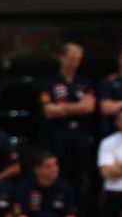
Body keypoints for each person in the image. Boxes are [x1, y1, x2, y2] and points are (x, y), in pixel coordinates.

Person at [39, 42, 97, 190]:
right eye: (72, 59)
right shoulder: (49, 83)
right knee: (59, 176)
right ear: (62, 58)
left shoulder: (84, 82)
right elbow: (49, 111)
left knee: (81, 178)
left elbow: (89, 107)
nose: (75, 63)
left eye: (78, 59)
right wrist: (78, 107)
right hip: (58, 137)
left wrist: (63, 107)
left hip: (80, 137)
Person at [15, 152, 78, 217]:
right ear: (37, 170)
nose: (54, 169)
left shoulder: (65, 188)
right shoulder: (25, 187)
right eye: (49, 166)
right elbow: (20, 216)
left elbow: (70, 216)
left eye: (55, 165)